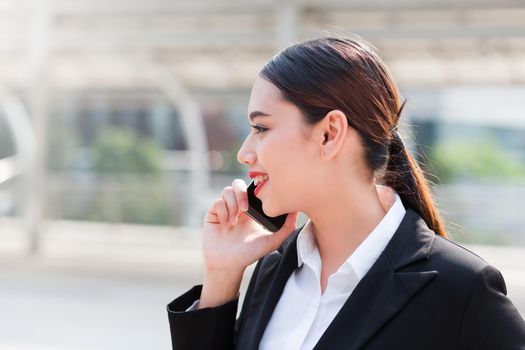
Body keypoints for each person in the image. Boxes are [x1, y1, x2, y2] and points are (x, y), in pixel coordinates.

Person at [166, 37, 525, 349]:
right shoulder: (274, 270)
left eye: (261, 127)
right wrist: (221, 276)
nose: (244, 151)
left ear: (329, 133)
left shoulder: (460, 290)